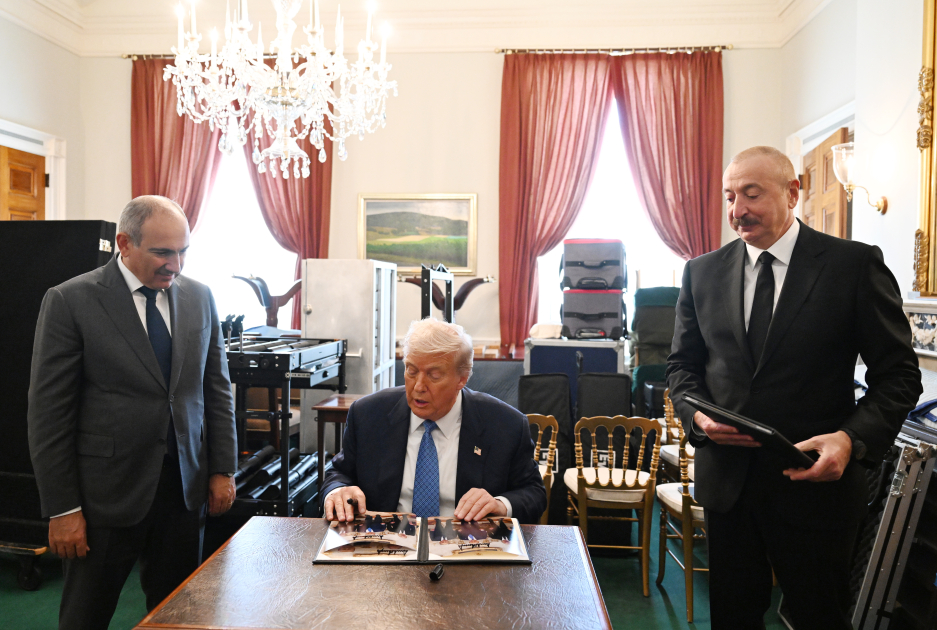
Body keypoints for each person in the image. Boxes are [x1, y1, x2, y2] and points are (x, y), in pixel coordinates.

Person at [667, 146, 922, 630]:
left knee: (819, 618)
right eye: (729, 196)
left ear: (792, 193)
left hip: (816, 489)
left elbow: (899, 376)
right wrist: (698, 419)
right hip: (730, 489)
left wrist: (851, 440)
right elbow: (681, 369)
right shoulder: (701, 273)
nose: (736, 210)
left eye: (751, 194)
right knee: (732, 619)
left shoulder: (852, 266)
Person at [27, 196, 238, 630]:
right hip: (103, 498)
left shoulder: (200, 298)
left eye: (183, 251)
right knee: (86, 616)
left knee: (177, 616)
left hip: (183, 493)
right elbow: (49, 415)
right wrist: (62, 509)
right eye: (162, 252)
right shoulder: (70, 301)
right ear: (124, 243)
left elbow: (215, 389)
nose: (175, 265)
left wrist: (223, 469)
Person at [322, 317, 547, 524]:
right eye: (411, 371)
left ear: (462, 378)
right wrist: (338, 491)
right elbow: (339, 473)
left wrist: (499, 505)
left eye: (434, 375)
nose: (418, 386)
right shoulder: (369, 414)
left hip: (466, 551)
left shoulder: (505, 424)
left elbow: (534, 493)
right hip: (385, 547)